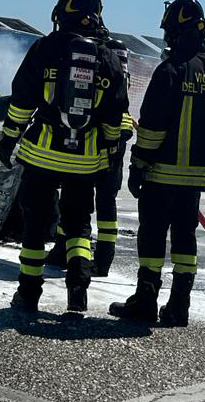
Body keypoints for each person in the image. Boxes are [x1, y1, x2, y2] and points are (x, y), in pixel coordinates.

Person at [0, 0, 128, 313]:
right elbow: (115, 116)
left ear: (61, 13)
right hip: (84, 162)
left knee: (34, 225)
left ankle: (28, 292)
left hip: (41, 154)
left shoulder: (44, 49)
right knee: (79, 226)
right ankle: (78, 292)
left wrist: (9, 138)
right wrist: (109, 152)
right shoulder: (107, 58)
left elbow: (22, 103)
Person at [109, 0, 205, 326]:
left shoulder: (171, 70)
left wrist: (138, 166)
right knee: (184, 238)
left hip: (162, 172)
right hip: (197, 176)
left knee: (152, 235)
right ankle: (180, 305)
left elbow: (152, 127)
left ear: (176, 33)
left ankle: (145, 300)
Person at [45, 32, 133, 277]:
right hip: (117, 139)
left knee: (74, 199)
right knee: (106, 201)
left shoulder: (96, 63)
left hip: (97, 142)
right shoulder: (115, 69)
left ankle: (63, 251)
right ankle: (104, 257)